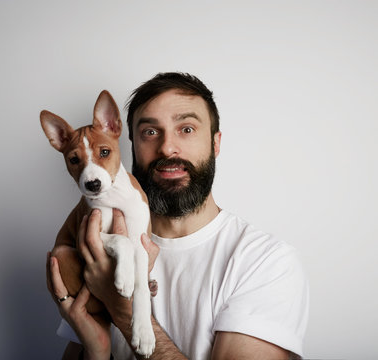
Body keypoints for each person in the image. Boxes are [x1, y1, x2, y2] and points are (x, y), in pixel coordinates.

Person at [46, 72, 309, 359]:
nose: (167, 147)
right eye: (150, 132)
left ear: (216, 142)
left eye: (186, 129)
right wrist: (97, 350)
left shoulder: (264, 262)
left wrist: (124, 312)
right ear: (132, 143)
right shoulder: (96, 248)